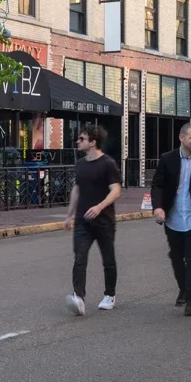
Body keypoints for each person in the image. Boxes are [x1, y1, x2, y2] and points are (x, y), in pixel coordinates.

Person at [150, 123, 191, 316]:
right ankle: (184, 288)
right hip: (173, 217)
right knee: (176, 256)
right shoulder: (167, 159)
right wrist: (158, 207)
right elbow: (158, 185)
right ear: (181, 138)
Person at [64, 125, 122, 315]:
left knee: (108, 259)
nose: (78, 141)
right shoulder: (80, 164)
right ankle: (78, 297)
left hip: (104, 220)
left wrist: (99, 207)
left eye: (82, 139)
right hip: (82, 221)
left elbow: (116, 190)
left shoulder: (108, 164)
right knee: (79, 258)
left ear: (93, 142)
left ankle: (109, 295)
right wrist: (70, 215)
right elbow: (77, 189)